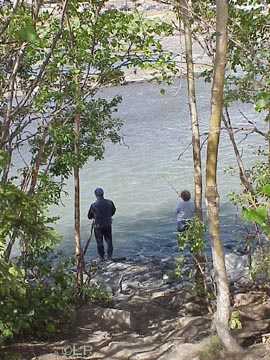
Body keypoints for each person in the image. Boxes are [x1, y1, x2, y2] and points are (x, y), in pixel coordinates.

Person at [88, 188, 116, 261]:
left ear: (95, 195)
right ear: (103, 194)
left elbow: (89, 216)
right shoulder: (110, 202)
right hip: (108, 224)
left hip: (98, 226)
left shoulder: (93, 205)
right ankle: (109, 257)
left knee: (99, 242)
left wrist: (94, 216)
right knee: (109, 241)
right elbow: (113, 211)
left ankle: (102, 258)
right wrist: (108, 216)